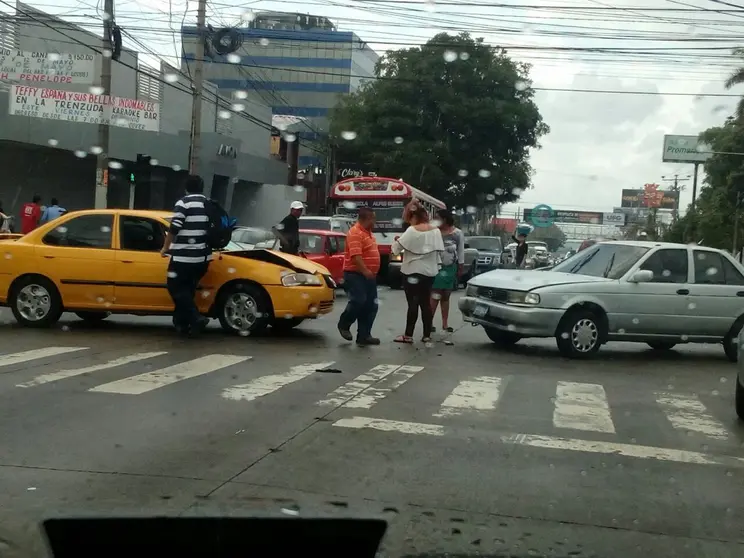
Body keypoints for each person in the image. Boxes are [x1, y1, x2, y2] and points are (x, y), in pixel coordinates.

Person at [160, 175, 212, 336]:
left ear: (186, 188)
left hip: (184, 257)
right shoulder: (208, 204)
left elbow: (174, 228)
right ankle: (183, 324)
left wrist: (165, 248)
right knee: (188, 290)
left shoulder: (184, 203)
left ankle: (196, 318)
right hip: (203, 257)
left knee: (175, 287)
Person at [392, 201, 444, 344]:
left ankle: (408, 335)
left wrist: (397, 240)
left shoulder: (411, 230)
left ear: (411, 216)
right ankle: (427, 335)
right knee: (426, 303)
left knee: (413, 303)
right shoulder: (435, 231)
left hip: (412, 271)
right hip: (430, 272)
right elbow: (438, 250)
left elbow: (396, 249)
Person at [337, 206, 381, 346]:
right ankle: (344, 324)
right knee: (358, 300)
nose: (375, 221)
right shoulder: (355, 233)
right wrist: (365, 270)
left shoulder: (369, 233)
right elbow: (356, 256)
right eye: (373, 218)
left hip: (369, 275)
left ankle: (364, 335)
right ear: (367, 218)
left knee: (371, 305)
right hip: (355, 274)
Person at [431, 209, 465, 333]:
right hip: (436, 267)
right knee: (435, 294)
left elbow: (461, 250)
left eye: (438, 218)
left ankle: (445, 324)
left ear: (444, 220)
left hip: (451, 267)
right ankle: (429, 322)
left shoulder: (457, 233)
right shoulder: (434, 232)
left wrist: (461, 265)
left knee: (446, 295)